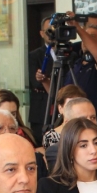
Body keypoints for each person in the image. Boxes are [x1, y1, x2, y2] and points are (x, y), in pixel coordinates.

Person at [66, 23, 97, 139]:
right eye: (83, 36)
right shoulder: (74, 65)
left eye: (91, 36)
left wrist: (78, 28)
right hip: (75, 133)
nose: (85, 39)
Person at [29, 16, 56, 146]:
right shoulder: (34, 55)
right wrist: (44, 79)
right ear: (41, 33)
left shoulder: (69, 53)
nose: (51, 34)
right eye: (48, 31)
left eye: (54, 31)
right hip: (41, 108)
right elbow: (35, 82)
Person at [40, 84, 87, 150]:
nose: (74, 109)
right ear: (60, 108)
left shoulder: (88, 131)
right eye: (69, 105)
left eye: (77, 104)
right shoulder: (51, 136)